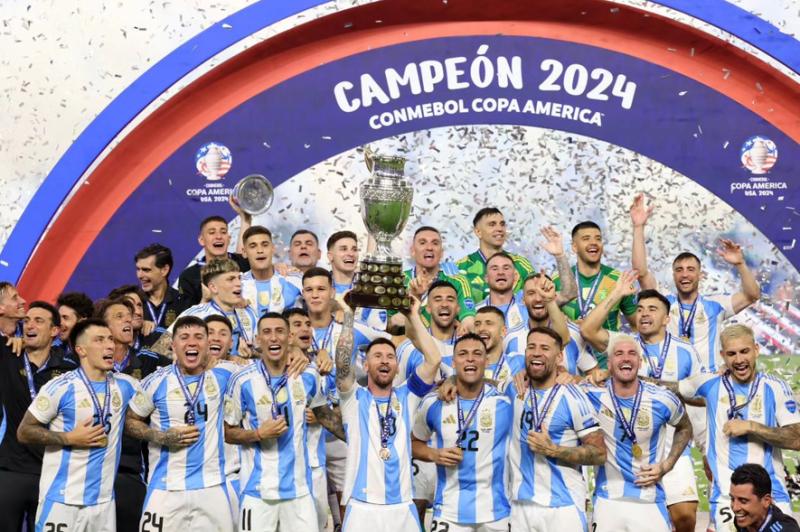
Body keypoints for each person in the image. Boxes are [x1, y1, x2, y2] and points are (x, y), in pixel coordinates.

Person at [580, 278, 705, 532]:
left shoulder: (685, 350)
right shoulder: (624, 344)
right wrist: (616, 294)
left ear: (666, 318)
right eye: (640, 309)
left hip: (669, 443)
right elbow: (589, 330)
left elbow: (700, 397)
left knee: (685, 516)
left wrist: (658, 385)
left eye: (652, 309)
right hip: (629, 443)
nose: (644, 314)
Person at [17, 318, 142, 532]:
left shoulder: (126, 385)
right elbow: (24, 431)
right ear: (81, 350)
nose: (110, 345)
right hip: (61, 501)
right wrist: (68, 438)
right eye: (100, 340)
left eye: (110, 339)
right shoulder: (60, 387)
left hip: (103, 504)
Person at [224, 312, 344, 532]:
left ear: (290, 337)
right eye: (266, 332)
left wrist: (359, 439)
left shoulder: (309, 376)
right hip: (257, 492)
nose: (273, 338)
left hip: (299, 491)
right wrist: (258, 434)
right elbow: (228, 433)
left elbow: (325, 415)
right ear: (258, 340)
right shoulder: (242, 380)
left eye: (279, 331)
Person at [674, 324, 800, 532]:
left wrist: (752, 427)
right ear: (723, 355)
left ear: (756, 350)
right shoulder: (709, 383)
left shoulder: (775, 387)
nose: (739, 360)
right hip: (726, 498)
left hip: (772, 493)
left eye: (744, 351)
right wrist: (622, 379)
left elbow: (796, 439)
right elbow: (670, 390)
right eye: (732, 354)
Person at [335, 293, 442, 532]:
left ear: (396, 366)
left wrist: (414, 316)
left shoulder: (408, 395)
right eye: (377, 356)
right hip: (362, 507)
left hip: (402, 506)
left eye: (390, 357)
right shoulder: (353, 398)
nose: (384, 361)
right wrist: (349, 317)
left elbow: (433, 360)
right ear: (365, 364)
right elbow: (342, 365)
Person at [124, 316, 237, 532]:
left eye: (198, 337)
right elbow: (130, 421)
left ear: (207, 344)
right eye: (184, 337)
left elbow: (265, 369)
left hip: (212, 488)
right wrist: (160, 437)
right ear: (173, 345)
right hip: (165, 488)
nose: (192, 343)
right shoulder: (154, 381)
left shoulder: (226, 375)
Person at [630, 193, 761, 372]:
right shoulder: (663, 301)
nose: (685, 275)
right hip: (673, 383)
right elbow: (641, 272)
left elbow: (752, 295)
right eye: (679, 270)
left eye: (691, 270)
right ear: (673, 275)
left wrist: (740, 264)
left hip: (709, 385)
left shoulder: (716, 305)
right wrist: (638, 227)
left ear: (701, 275)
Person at [583, 334, 693, 532]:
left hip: (649, 500)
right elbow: (558, 384)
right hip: (608, 499)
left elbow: (685, 427)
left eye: (632, 353)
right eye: (619, 354)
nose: (626, 358)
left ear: (639, 362)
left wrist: (667, 465)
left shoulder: (662, 399)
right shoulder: (591, 395)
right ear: (609, 364)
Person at [505, 327, 606, 531]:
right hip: (519, 506)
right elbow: (477, 386)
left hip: (563, 507)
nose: (536, 352)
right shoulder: (512, 389)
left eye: (544, 348)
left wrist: (554, 450)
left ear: (559, 357)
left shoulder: (573, 397)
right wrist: (452, 381)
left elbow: (599, 453)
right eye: (531, 347)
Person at [412, 332, 515, 531]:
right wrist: (434, 454)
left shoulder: (505, 401)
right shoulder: (433, 403)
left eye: (477, 353)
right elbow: (412, 443)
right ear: (453, 361)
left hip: (496, 514)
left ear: (486, 360)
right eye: (463, 354)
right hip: (449, 512)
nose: (470, 358)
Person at [94, 297, 171, 532]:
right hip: (94, 470)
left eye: (129, 316)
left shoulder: (149, 363)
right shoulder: (88, 369)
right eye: (119, 316)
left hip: (131, 469)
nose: (127, 319)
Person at [0, 301, 78, 531]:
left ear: (54, 331)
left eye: (38, 321)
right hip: (9, 469)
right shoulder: (7, 357)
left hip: (51, 473)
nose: (29, 325)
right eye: (26, 321)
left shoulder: (68, 370)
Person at [554, 221, 637, 367]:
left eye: (598, 239)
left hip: (610, 367)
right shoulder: (558, 281)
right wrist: (572, 325)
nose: (594, 243)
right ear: (574, 247)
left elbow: (637, 326)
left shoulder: (619, 281)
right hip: (570, 369)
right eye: (586, 239)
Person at [285, 307, 338, 531]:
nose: (305, 328)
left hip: (316, 466)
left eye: (308, 324)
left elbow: (341, 409)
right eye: (297, 324)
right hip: (285, 468)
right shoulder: (273, 367)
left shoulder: (324, 368)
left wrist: (321, 415)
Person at [504, 274, 601, 382]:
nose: (538, 298)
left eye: (543, 292)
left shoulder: (573, 333)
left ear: (554, 296)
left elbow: (597, 379)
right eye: (531, 293)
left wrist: (573, 379)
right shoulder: (511, 338)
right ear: (523, 300)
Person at [162, 257, 258, 357]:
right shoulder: (195, 314)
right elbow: (160, 348)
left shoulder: (249, 312)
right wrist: (191, 360)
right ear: (213, 287)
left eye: (239, 278)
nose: (239, 283)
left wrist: (253, 354)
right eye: (231, 279)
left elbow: (264, 352)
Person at [402, 226, 476, 331]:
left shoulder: (458, 281)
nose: (429, 248)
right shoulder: (400, 281)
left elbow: (468, 319)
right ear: (413, 251)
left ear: (441, 253)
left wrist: (466, 329)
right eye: (423, 243)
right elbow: (390, 324)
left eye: (435, 243)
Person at [456, 208, 536, 301]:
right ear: (478, 232)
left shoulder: (521, 265)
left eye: (502, 224)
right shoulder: (461, 268)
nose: (499, 229)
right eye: (492, 224)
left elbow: (537, 297)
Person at [178, 211, 252, 306]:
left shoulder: (246, 263)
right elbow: (187, 317)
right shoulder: (189, 276)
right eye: (212, 232)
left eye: (223, 232)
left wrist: (276, 267)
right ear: (201, 240)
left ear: (229, 239)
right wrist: (205, 300)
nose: (219, 236)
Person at [240, 225, 302, 316]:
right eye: (253, 246)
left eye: (265, 245)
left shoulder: (295, 278)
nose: (260, 250)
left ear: (273, 249)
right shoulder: (237, 283)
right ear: (244, 252)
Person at [134, 243, 190, 332]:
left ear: (164, 270)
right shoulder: (132, 301)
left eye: (146, 270)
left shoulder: (183, 302)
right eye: (138, 269)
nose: (139, 275)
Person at [729, 463, 800, 532]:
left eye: (743, 501)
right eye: (732, 499)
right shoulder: (743, 519)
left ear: (766, 501)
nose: (735, 508)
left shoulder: (786, 529)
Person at [108, 284, 153, 349]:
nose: (138, 312)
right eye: (130, 307)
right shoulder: (105, 345)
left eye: (139, 305)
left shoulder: (154, 336)